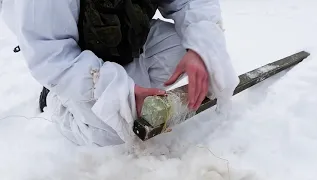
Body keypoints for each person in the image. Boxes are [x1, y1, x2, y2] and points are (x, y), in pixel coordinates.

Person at [1, 0, 239, 146]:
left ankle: (128, 83)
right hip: (74, 56)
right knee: (113, 131)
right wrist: (117, 93)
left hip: (127, 35)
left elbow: (189, 2)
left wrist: (199, 50)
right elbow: (50, 54)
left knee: (189, 50)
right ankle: (61, 104)